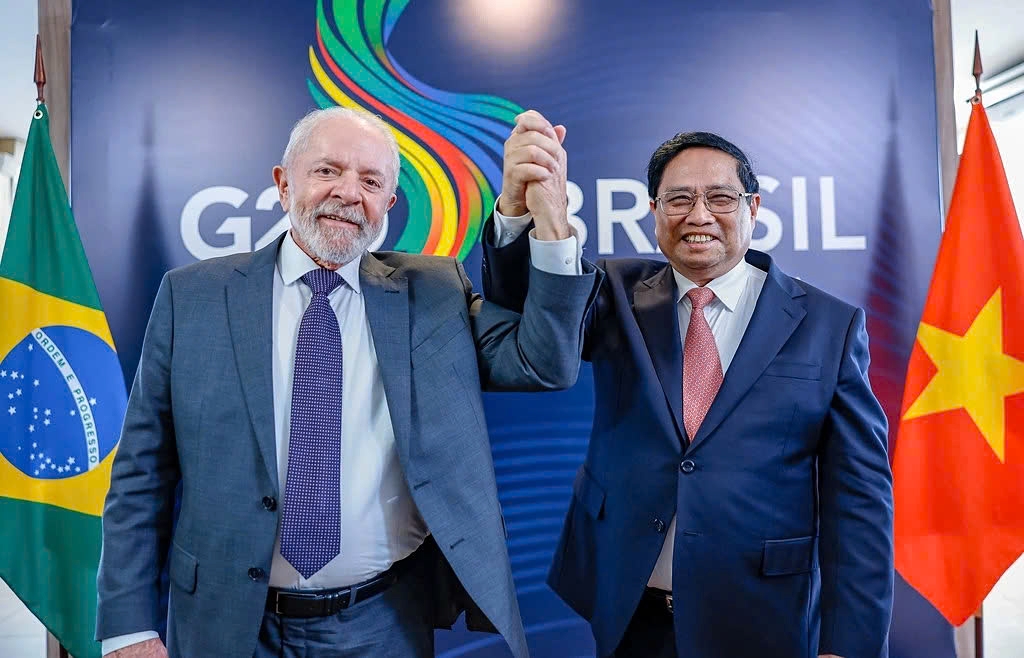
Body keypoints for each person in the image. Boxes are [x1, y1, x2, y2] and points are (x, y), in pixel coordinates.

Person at [96, 106, 599, 658]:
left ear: (388, 204)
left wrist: (544, 224)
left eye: (371, 180)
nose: (348, 193)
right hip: (227, 623)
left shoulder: (433, 292)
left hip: (383, 622)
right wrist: (129, 626)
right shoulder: (192, 296)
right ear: (284, 185)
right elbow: (142, 473)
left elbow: (543, 363)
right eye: (327, 171)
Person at [482, 114, 894, 658]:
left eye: (721, 198)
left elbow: (858, 498)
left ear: (753, 208)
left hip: (762, 613)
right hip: (628, 604)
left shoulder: (829, 325)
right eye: (677, 200)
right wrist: (520, 208)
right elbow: (526, 310)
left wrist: (851, 643)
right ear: (653, 213)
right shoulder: (614, 292)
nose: (698, 216)